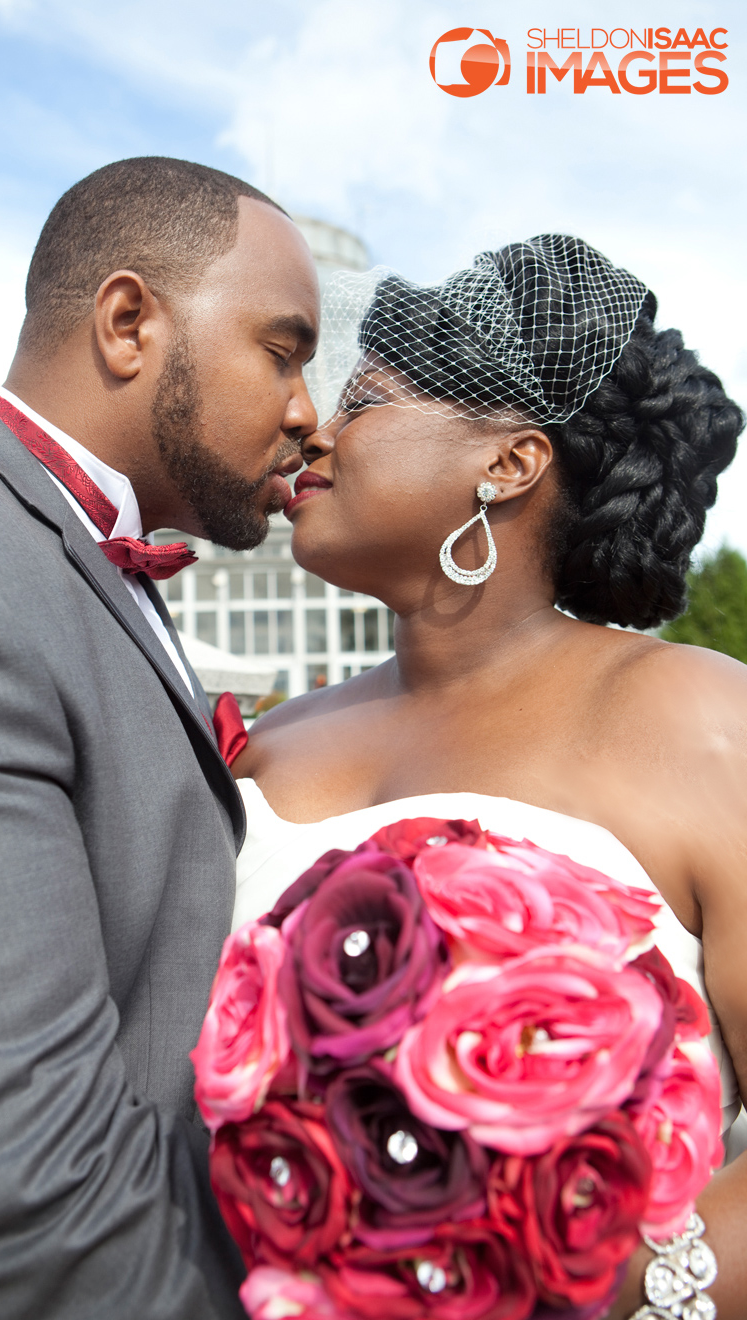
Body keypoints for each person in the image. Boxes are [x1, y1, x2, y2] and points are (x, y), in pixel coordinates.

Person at [231, 235, 747, 1318]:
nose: (314, 429)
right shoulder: (265, 747)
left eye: (364, 399)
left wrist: (592, 1289)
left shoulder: (705, 722)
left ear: (509, 463)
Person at [0, 156, 318, 1319]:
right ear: (128, 323)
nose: (306, 411)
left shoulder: (77, 558)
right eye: (282, 349)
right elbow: (5, 1171)